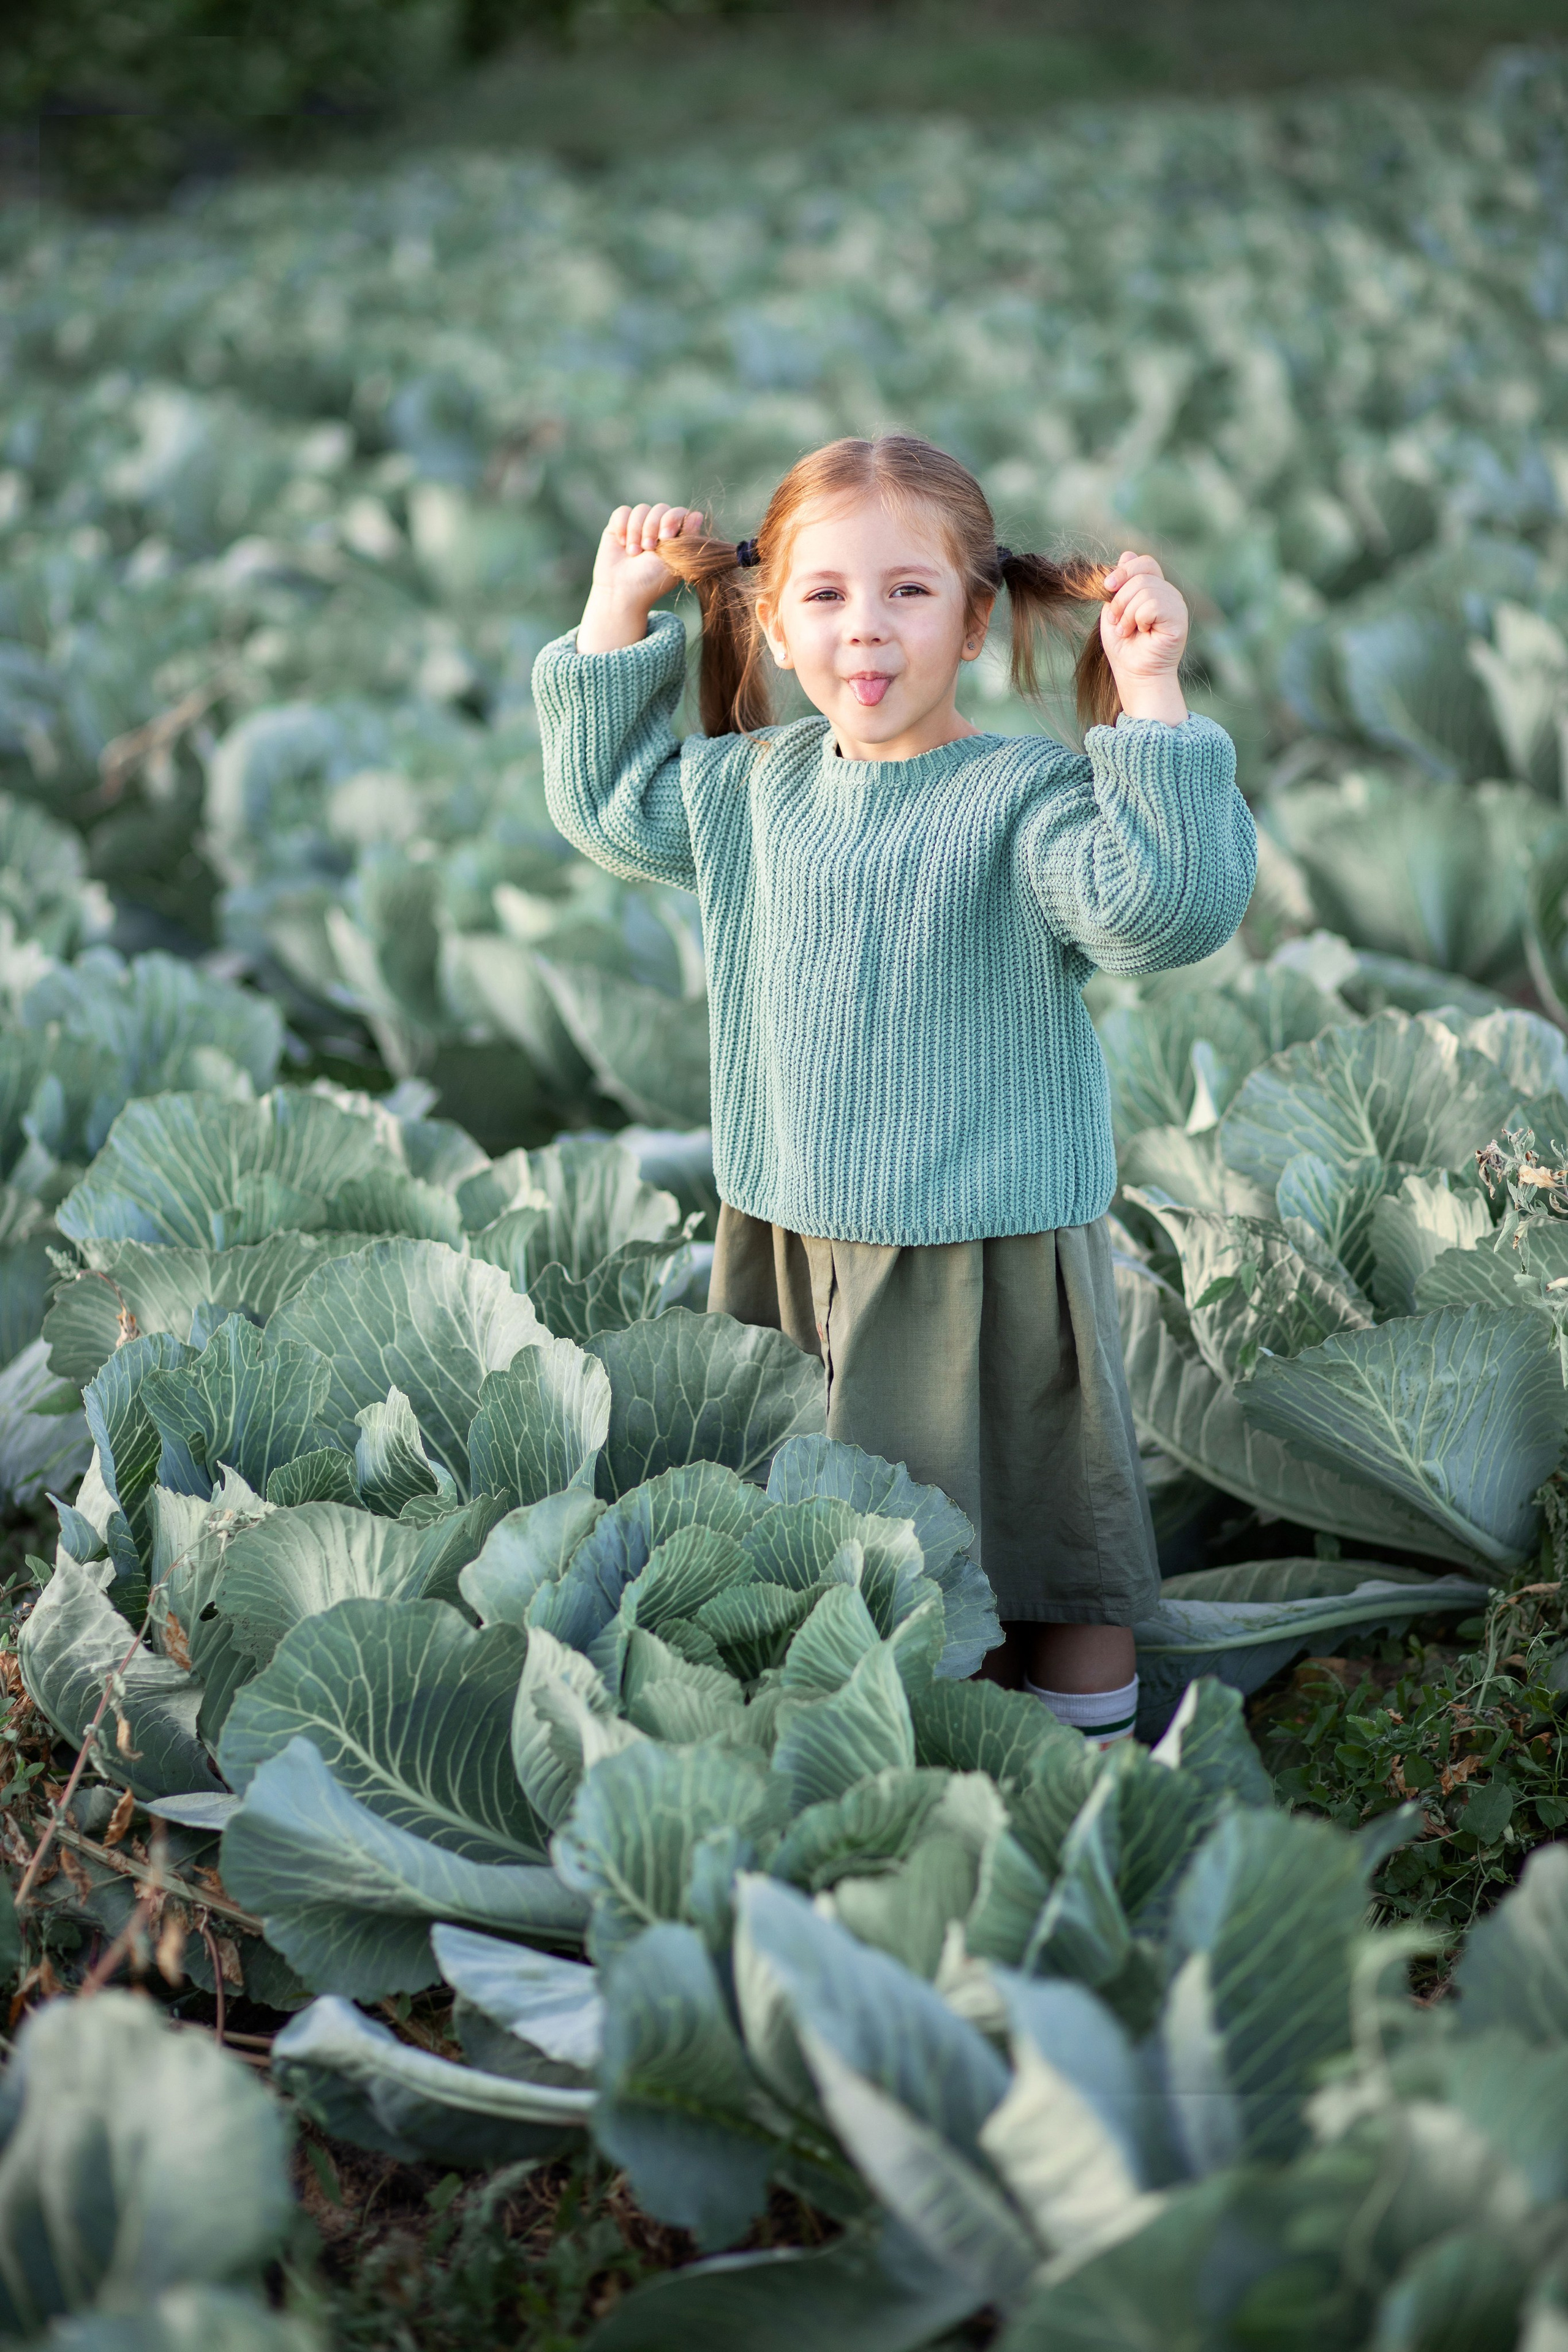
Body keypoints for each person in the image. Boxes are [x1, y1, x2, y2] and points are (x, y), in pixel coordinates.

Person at [533, 433, 1255, 1748]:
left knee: (1044, 1545)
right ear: (768, 616)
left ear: (975, 619)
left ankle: (1083, 1773)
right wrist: (611, 610)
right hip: (793, 1230)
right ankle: (909, 1767)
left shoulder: (1022, 799)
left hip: (987, 1244)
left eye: (908, 593)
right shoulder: (750, 789)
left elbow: (1164, 911)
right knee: (845, 1554)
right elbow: (605, 803)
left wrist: (1146, 693)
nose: (864, 630)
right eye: (823, 596)